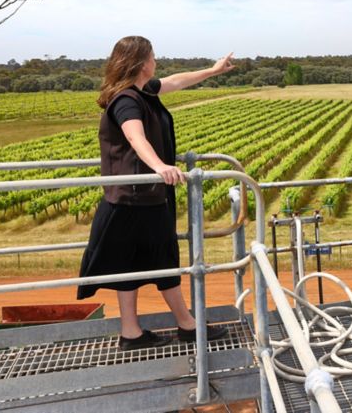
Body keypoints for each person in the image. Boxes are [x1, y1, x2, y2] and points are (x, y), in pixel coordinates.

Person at [77, 36, 235, 350]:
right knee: (164, 260)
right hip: (137, 197)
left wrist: (214, 71)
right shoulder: (126, 100)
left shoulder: (142, 91)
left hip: (131, 198)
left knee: (129, 263)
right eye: (152, 56)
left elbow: (176, 81)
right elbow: (135, 137)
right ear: (140, 62)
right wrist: (160, 166)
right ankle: (187, 325)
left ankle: (131, 333)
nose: (156, 61)